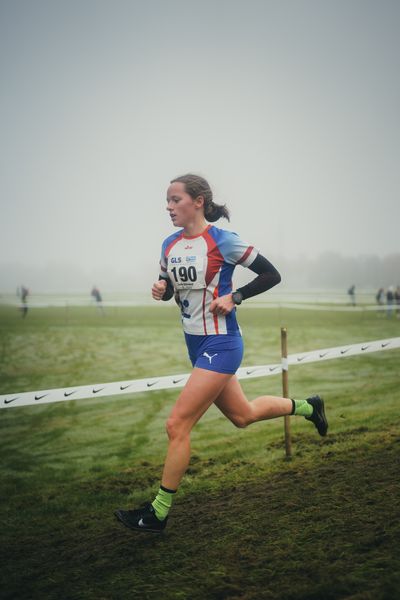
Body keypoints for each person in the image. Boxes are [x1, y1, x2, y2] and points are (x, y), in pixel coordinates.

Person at [115, 174, 328, 534]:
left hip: (222, 344)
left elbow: (271, 274)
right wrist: (161, 287)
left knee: (176, 424)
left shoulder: (222, 240)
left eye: (175, 200)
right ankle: (309, 407)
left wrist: (236, 297)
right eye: (167, 201)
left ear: (198, 201)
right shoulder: (169, 244)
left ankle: (158, 513)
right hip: (195, 345)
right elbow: (170, 288)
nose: (168, 207)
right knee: (242, 416)